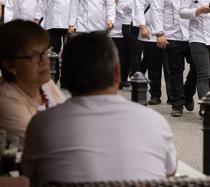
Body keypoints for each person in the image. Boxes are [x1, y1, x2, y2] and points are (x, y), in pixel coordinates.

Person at [21, 31, 177, 185]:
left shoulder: (42, 125)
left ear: (66, 77)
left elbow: (29, 175)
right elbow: (170, 171)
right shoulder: (154, 122)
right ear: (117, 73)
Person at [150, 0, 197, 117]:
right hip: (172, 35)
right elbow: (156, 10)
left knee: (196, 68)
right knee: (175, 70)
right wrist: (159, 33)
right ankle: (177, 103)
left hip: (194, 35)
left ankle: (188, 93)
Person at [0, 20, 64, 146]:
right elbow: (42, 142)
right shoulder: (5, 101)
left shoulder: (46, 85)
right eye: (34, 56)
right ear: (10, 65)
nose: (44, 61)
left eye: (44, 52)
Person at [135, 0, 172, 105]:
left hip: (169, 31)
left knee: (170, 67)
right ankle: (155, 94)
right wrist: (142, 26)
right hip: (150, 32)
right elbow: (138, 6)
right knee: (154, 66)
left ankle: (173, 96)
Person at [108, 0, 129, 89]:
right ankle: (115, 78)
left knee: (126, 55)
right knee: (115, 56)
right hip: (114, 30)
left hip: (126, 28)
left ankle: (124, 78)